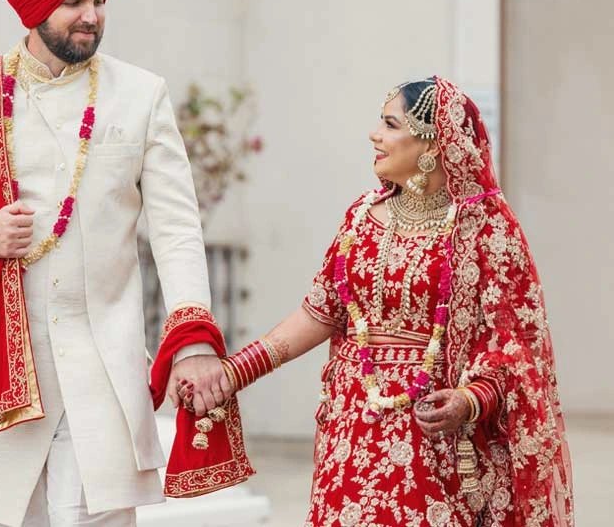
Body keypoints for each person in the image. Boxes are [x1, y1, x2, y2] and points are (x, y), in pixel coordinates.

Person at [0, 0, 233, 527]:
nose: (91, 17)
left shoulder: (140, 95)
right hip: (5, 364)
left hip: (103, 364)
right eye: (74, 3)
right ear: (35, 9)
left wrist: (193, 340)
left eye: (99, 2)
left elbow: (177, 229)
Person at [215, 77, 575, 526]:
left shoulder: (484, 228)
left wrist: (469, 399)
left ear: (432, 143)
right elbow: (319, 312)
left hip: (436, 440)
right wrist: (235, 372)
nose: (375, 135)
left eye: (389, 125)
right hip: (353, 427)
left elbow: (516, 346)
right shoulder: (360, 218)